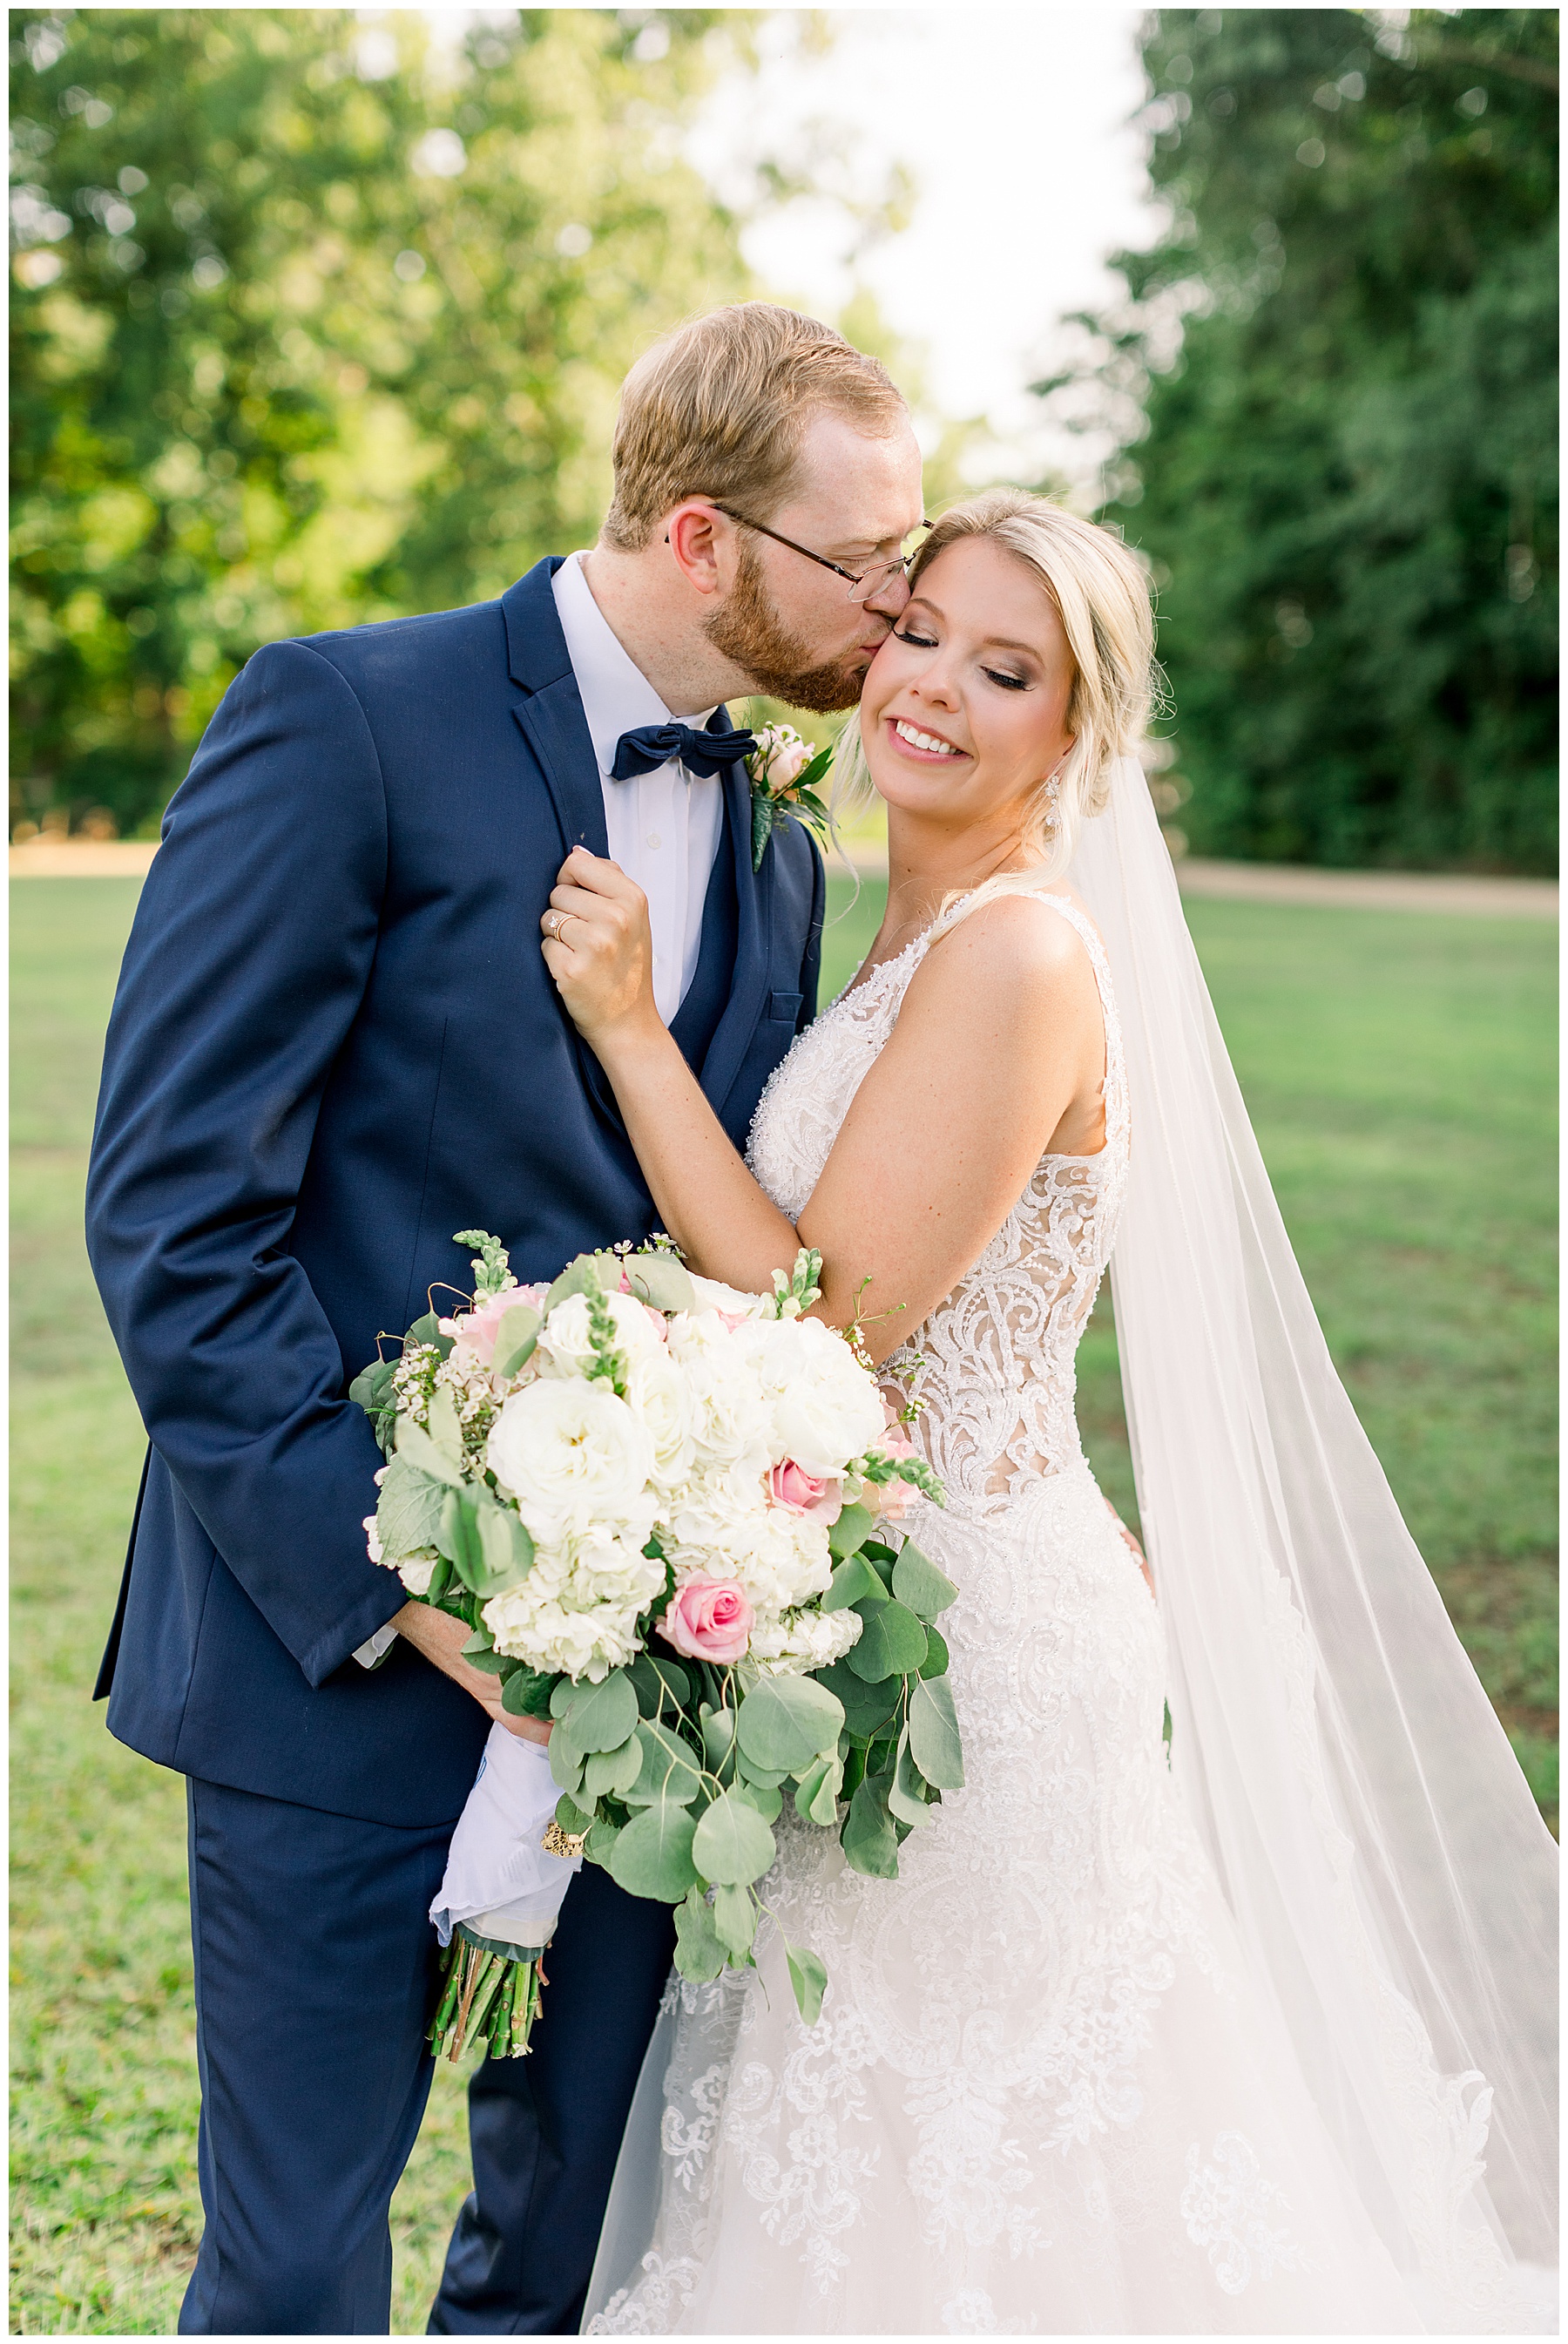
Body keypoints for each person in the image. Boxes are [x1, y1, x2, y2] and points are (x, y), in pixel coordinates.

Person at [538, 489, 1558, 2334]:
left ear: (1074, 735)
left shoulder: (1021, 953)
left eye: (1005, 669)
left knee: (1002, 2175)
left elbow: (828, 1318)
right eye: (919, 631)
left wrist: (627, 1033)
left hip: (981, 1663)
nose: (932, 684)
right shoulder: (896, 928)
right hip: (875, 1617)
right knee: (872, 2157)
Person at [84, 301, 925, 2336]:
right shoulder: (346, 717)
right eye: (865, 561)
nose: (898, 612)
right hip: (336, 1662)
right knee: (290, 2268)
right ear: (706, 538)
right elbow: (179, 1216)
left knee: (565, 2263)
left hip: (658, 1686)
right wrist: (413, 1593)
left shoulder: (784, 837)